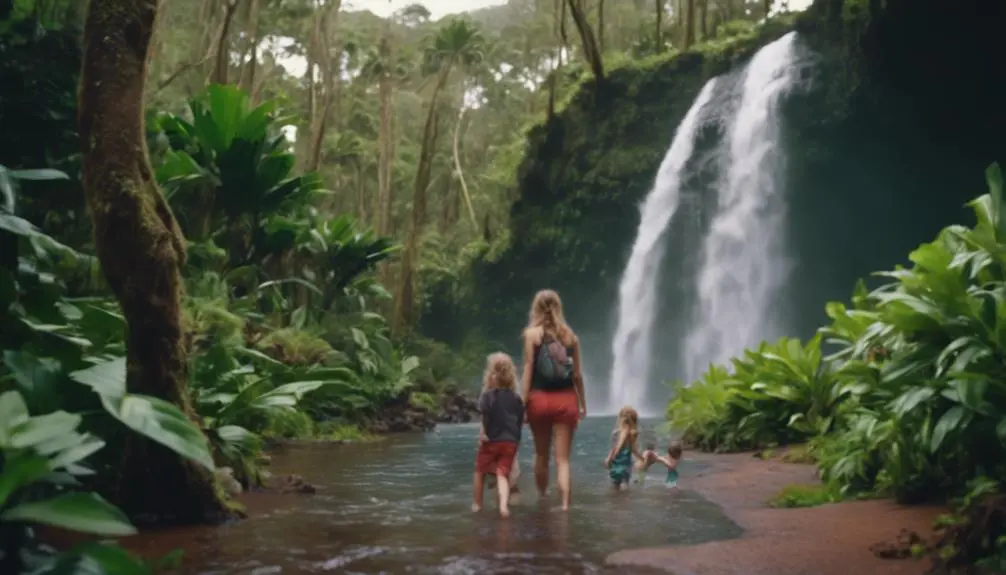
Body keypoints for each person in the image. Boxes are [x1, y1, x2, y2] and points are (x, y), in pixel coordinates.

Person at [521, 289, 586, 511]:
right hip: (566, 401)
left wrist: (522, 402)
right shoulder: (571, 337)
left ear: (536, 308)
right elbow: (577, 375)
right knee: (563, 460)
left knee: (540, 454)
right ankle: (566, 505)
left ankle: (543, 497)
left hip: (538, 400)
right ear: (559, 308)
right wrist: (583, 403)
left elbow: (528, 370)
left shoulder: (531, 335)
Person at [473, 352, 524, 517]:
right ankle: (503, 506)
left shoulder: (488, 396)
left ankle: (477, 504)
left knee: (479, 471)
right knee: (503, 474)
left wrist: (485, 434)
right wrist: (516, 440)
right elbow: (520, 420)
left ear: (491, 375)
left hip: (492, 440)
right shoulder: (516, 398)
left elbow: (485, 416)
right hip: (511, 442)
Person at [605, 406, 644, 489]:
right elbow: (633, 449)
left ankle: (614, 501)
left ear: (620, 418)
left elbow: (614, 448)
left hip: (615, 463)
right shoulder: (633, 434)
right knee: (625, 485)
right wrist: (641, 458)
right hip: (625, 465)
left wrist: (609, 458)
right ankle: (625, 500)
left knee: (614, 486)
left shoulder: (615, 433)